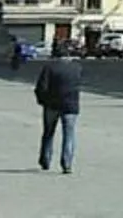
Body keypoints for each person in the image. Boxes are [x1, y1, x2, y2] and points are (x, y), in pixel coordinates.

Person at [34, 45, 83, 174]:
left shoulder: (49, 68)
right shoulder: (76, 68)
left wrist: (42, 101)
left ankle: (45, 160)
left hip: (52, 105)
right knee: (69, 135)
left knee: (48, 133)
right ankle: (67, 164)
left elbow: (41, 87)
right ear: (68, 55)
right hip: (71, 105)